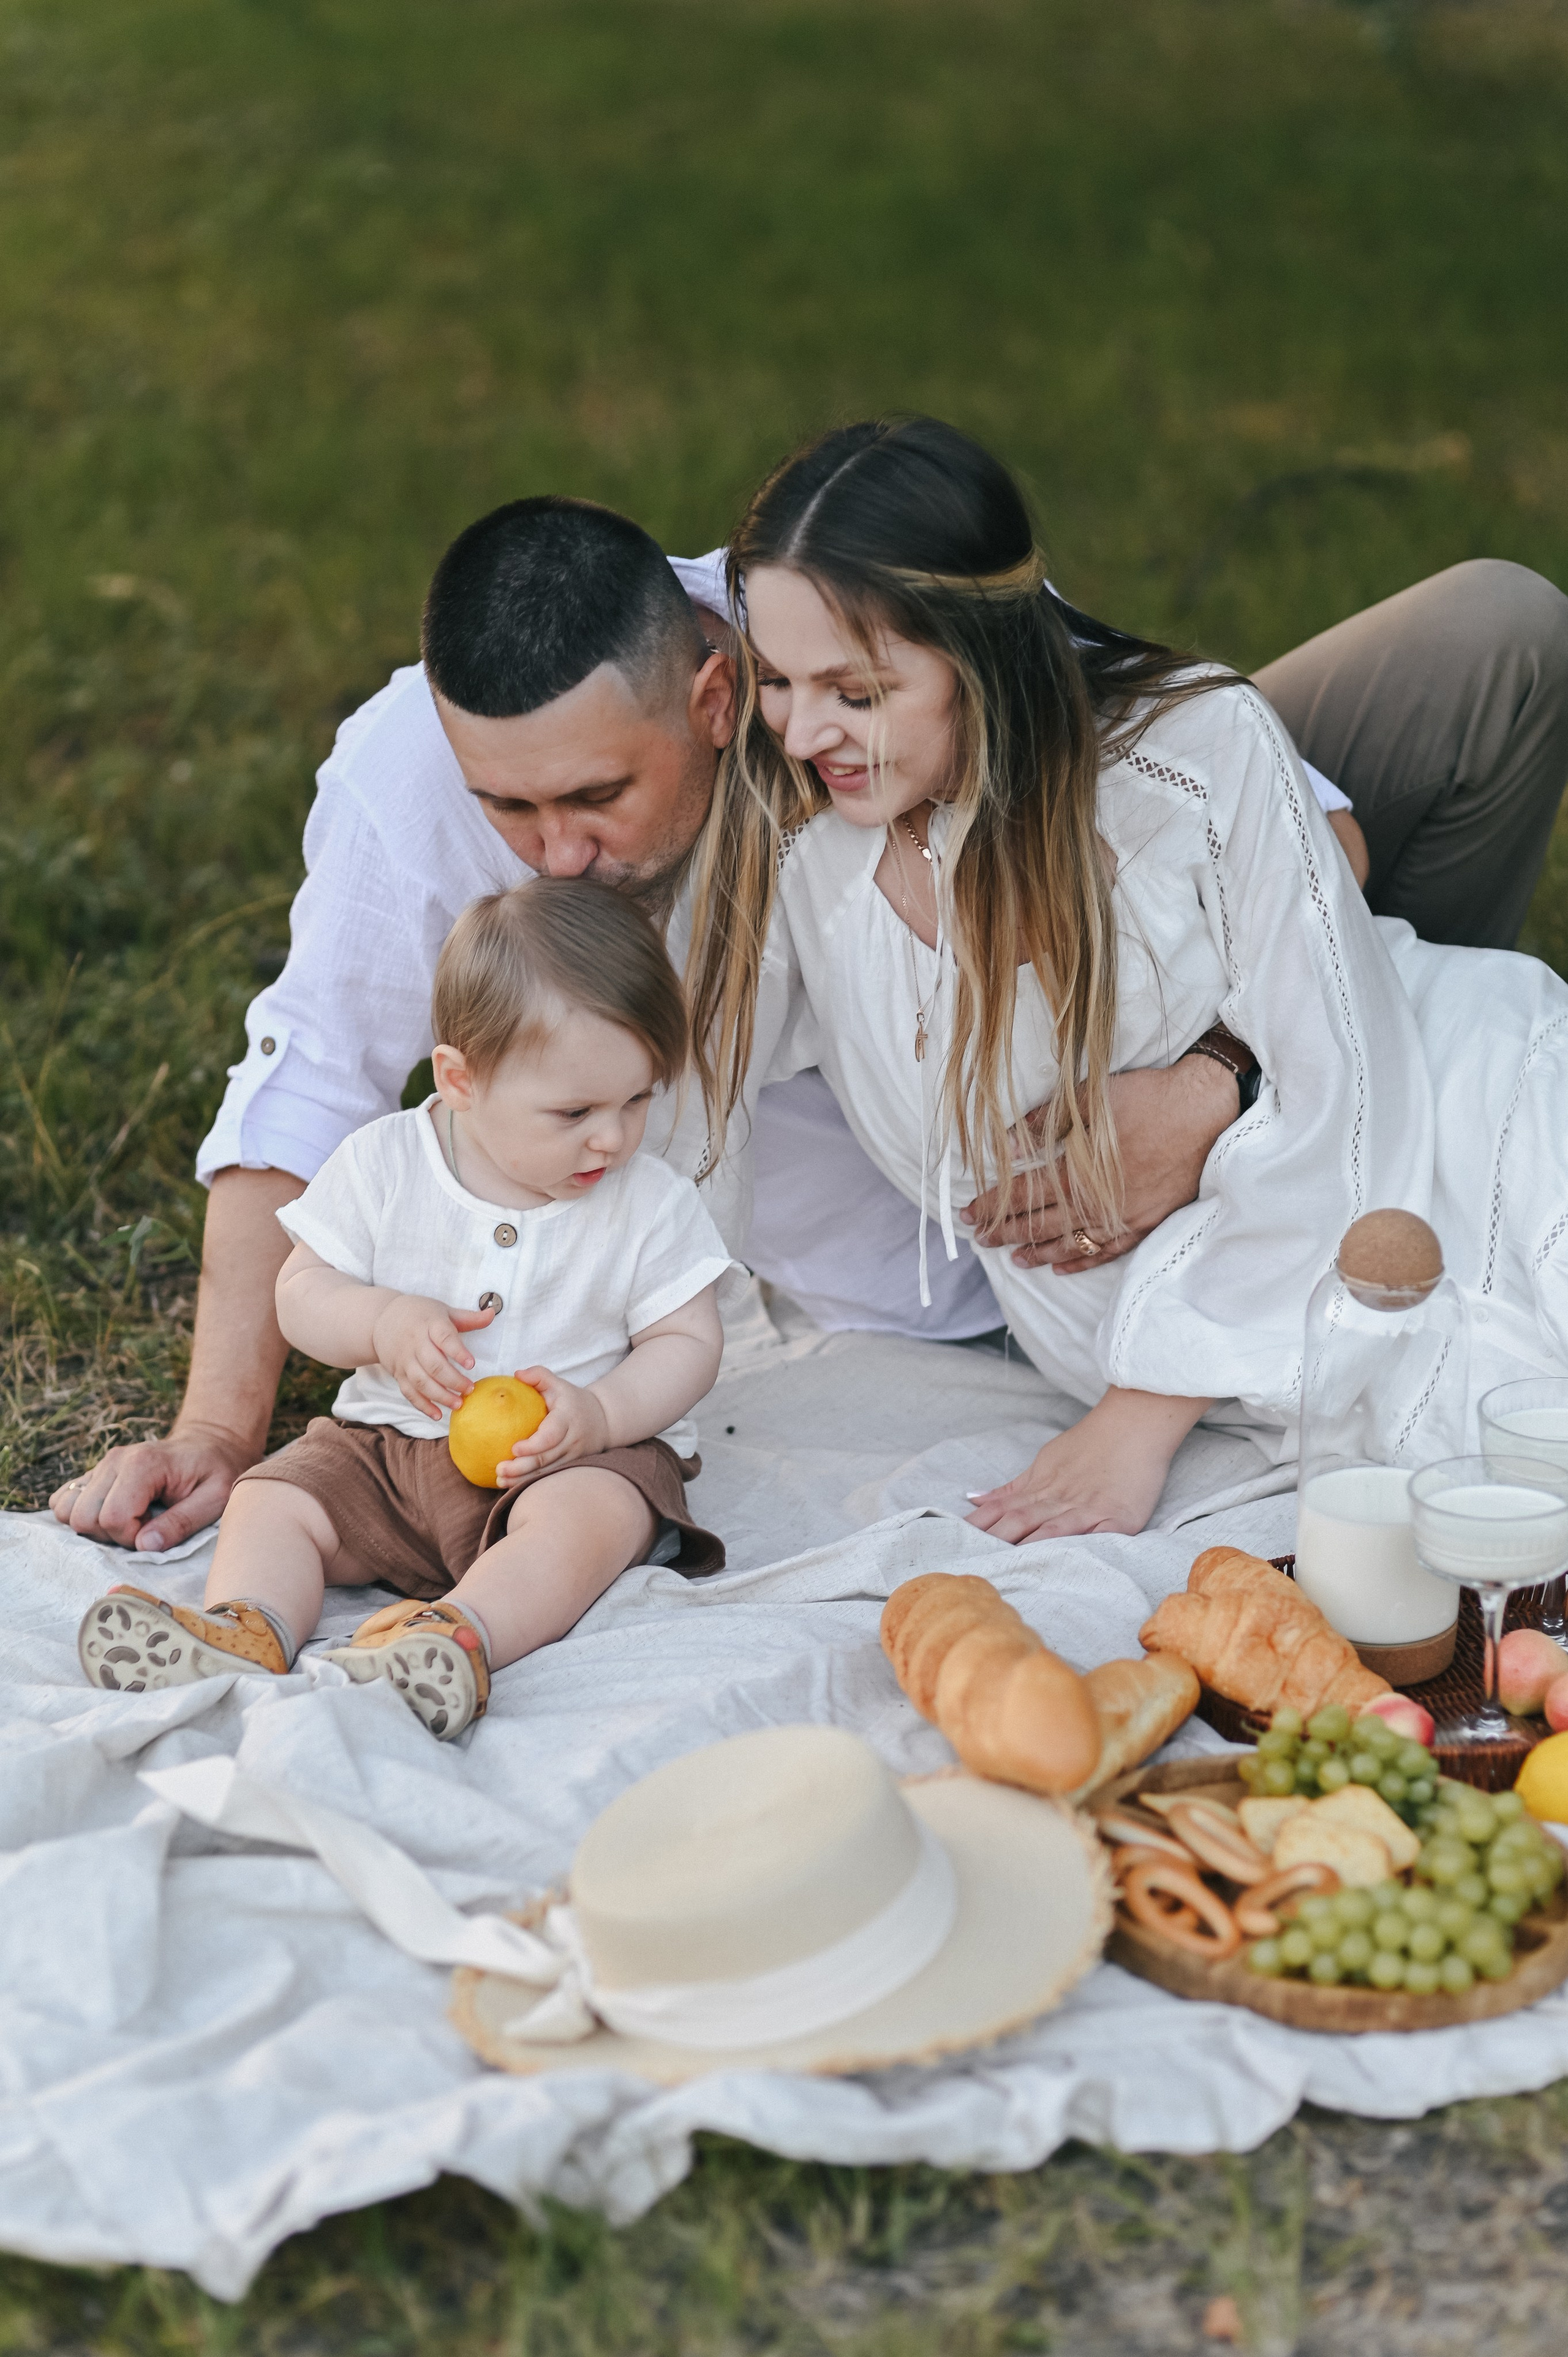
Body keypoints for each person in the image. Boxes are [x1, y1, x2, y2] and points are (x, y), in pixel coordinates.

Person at [51, 491, 1568, 1553]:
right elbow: (307, 1081)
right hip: (974, 1247)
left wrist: (1215, 1081)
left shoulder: (873, 647)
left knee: (1491, 643)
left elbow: (1308, 841)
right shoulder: (421, 788)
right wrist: (218, 1432)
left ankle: (1384, 1110)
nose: (553, 855)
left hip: (1144, 1034)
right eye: (504, 806)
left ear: (717, 698)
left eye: (595, 798)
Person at [685, 415, 1568, 1542]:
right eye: (776, 681)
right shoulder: (794, 832)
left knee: (1498, 1428)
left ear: (981, 659)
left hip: (1446, 1119)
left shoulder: (1195, 755)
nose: (804, 730)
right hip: (1169, 1320)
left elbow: (1347, 1080)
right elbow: (683, 1111)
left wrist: (1142, 1418)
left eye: (855, 693)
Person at [77, 878, 730, 1737]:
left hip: (564, 1459)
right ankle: (247, 1625)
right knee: (275, 1499)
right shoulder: (384, 1165)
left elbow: (689, 1338)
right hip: (385, 1455)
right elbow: (300, 1294)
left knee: (593, 1520)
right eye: (574, 1112)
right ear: (460, 1079)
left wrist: (603, 1414)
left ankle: (456, 1638)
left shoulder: (648, 1201)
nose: (612, 1138)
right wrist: (380, 1321)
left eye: (638, 1100)